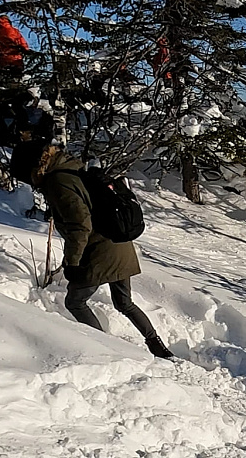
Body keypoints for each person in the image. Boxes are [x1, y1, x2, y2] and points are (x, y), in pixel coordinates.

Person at [12, 142, 173, 359]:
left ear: (31, 170)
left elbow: (80, 225)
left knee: (75, 302)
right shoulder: (73, 168)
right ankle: (156, 344)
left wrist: (72, 263)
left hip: (100, 251)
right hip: (120, 244)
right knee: (124, 303)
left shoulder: (58, 182)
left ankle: (104, 349)